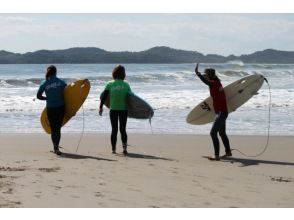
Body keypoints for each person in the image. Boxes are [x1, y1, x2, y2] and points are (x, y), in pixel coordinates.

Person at [195, 63, 232, 161]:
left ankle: (216, 156)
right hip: (222, 112)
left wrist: (198, 74)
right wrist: (201, 74)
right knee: (222, 133)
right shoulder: (217, 83)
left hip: (221, 113)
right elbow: (207, 80)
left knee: (213, 133)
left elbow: (206, 82)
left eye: (206, 74)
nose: (205, 76)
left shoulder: (214, 84)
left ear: (209, 76)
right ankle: (228, 152)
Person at [99, 65, 131, 155]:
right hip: (124, 109)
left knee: (114, 130)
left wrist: (100, 107)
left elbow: (104, 97)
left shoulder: (110, 84)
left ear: (114, 73)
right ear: (123, 74)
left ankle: (113, 149)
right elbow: (131, 98)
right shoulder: (126, 84)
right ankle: (124, 149)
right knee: (123, 129)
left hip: (113, 109)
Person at [37, 65, 67, 155]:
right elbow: (68, 95)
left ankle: (55, 147)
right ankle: (57, 146)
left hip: (50, 108)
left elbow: (38, 96)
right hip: (61, 107)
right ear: (56, 72)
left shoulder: (44, 83)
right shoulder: (61, 82)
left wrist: (48, 98)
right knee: (58, 128)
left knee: (53, 128)